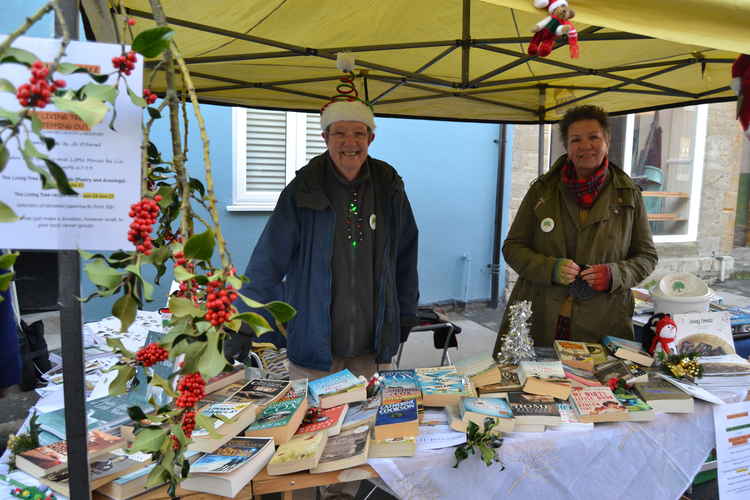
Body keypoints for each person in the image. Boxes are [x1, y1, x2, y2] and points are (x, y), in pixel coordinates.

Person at [237, 98, 419, 382]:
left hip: (372, 352)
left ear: (371, 138)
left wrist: (406, 313)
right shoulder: (304, 190)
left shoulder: (388, 187)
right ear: (325, 138)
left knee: (371, 421)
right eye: (339, 133)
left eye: (359, 133)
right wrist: (245, 324)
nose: (350, 142)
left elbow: (406, 255)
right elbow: (268, 261)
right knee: (314, 424)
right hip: (314, 354)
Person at [493, 105, 657, 353]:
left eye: (593, 137)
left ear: (607, 141)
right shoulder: (542, 191)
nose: (585, 146)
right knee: (537, 386)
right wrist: (550, 268)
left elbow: (646, 257)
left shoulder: (629, 195)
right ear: (567, 147)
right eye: (575, 140)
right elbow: (513, 247)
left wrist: (614, 274)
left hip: (604, 320)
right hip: (542, 315)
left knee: (598, 387)